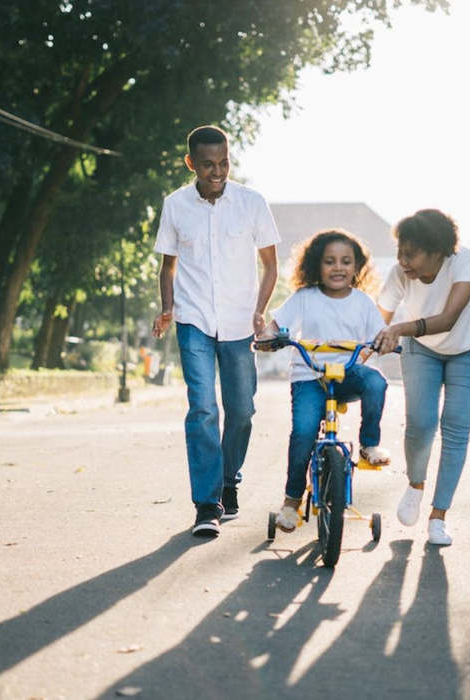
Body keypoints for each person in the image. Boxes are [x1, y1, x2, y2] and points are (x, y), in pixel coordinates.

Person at [152, 125, 280, 537]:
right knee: (204, 408)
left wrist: (260, 311)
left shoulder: (252, 203)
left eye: (223, 162)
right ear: (191, 163)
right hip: (193, 321)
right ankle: (206, 504)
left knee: (241, 411)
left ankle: (229, 481)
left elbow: (270, 265)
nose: (217, 171)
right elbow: (168, 265)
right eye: (207, 164)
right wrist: (168, 308)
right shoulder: (175, 205)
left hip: (240, 323)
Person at [258, 229, 391, 532]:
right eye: (329, 261)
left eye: (346, 261)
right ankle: (291, 502)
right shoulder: (304, 298)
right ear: (317, 265)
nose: (338, 267)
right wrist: (268, 336)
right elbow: (276, 325)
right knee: (304, 433)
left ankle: (369, 444)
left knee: (376, 383)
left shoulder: (363, 302)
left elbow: (378, 334)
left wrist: (384, 342)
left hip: (347, 374)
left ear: (357, 268)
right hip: (310, 376)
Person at [374, 209, 470, 546]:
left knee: (455, 427)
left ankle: (439, 517)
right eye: (400, 252)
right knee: (421, 423)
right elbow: (376, 320)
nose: (403, 261)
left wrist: (399, 328)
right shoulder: (400, 274)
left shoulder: (464, 263)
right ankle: (415, 485)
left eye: (411, 253)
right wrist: (361, 348)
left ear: (437, 250)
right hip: (422, 350)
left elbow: (449, 318)